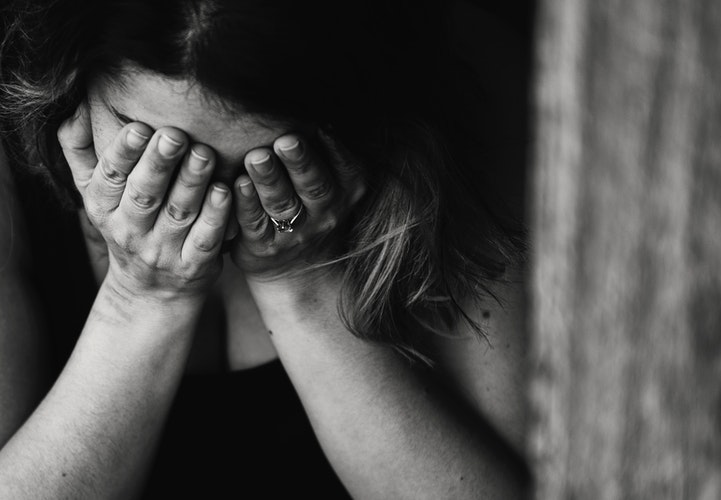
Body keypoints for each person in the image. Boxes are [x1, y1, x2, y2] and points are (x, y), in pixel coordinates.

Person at [0, 0, 529, 497]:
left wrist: (304, 283)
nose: (205, 206)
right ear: (70, 78)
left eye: (260, 166)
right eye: (152, 149)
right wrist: (139, 298)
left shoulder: (466, 88)